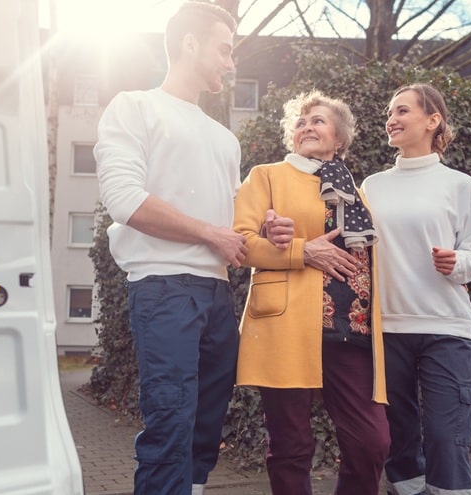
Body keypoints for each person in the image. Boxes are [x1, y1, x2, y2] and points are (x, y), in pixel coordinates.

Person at [94, 3, 291, 494]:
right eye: (225, 50)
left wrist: (261, 229)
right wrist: (210, 233)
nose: (230, 62)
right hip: (163, 289)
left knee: (205, 429)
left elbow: (230, 221)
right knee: (171, 425)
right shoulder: (133, 106)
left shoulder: (225, 139)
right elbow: (124, 199)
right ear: (189, 44)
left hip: (217, 296)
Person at [233, 89, 391, 495]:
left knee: (371, 442)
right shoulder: (267, 176)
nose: (306, 127)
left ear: (339, 138)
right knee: (290, 445)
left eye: (318, 120)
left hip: (351, 330)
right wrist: (303, 251)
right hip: (287, 324)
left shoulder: (357, 191)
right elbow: (241, 244)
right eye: (300, 123)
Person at [361, 83, 471, 495]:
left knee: (444, 434)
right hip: (386, 328)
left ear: (433, 120)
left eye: (402, 111)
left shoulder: (460, 185)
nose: (391, 119)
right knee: (398, 439)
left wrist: (458, 263)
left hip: (446, 327)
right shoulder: (372, 186)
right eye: (390, 112)